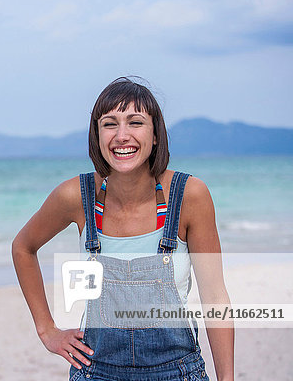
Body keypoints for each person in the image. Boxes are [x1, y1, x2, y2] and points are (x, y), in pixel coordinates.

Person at [12, 77, 234, 381]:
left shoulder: (190, 195)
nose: (122, 135)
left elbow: (215, 297)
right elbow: (23, 247)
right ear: (97, 135)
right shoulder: (76, 196)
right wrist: (47, 330)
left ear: (155, 135)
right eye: (110, 124)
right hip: (96, 372)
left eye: (135, 122)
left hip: (178, 372)